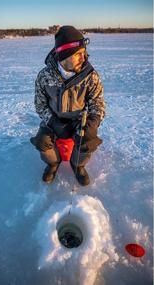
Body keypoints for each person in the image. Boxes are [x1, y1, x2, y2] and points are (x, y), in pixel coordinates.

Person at [30, 25, 105, 186]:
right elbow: (40, 104)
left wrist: (93, 121)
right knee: (41, 141)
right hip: (53, 121)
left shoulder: (90, 76)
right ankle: (53, 164)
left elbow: (97, 103)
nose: (84, 58)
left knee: (89, 139)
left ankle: (77, 165)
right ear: (64, 56)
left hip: (79, 121)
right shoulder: (44, 76)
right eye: (78, 54)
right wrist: (53, 122)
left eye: (84, 53)